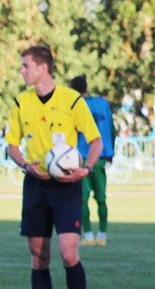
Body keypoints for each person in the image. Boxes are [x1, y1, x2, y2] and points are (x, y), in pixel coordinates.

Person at [5, 46, 103, 289]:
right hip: (35, 185)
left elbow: (96, 142)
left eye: (26, 66)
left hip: (66, 186)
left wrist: (86, 169)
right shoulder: (21, 102)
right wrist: (26, 165)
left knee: (69, 255)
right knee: (39, 257)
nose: (21, 71)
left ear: (43, 67)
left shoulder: (72, 100)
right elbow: (12, 145)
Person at [69, 75, 116, 247]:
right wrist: (111, 151)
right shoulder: (103, 103)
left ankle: (88, 235)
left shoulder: (75, 104)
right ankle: (102, 235)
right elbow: (112, 128)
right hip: (102, 155)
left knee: (82, 198)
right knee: (101, 197)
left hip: (82, 156)